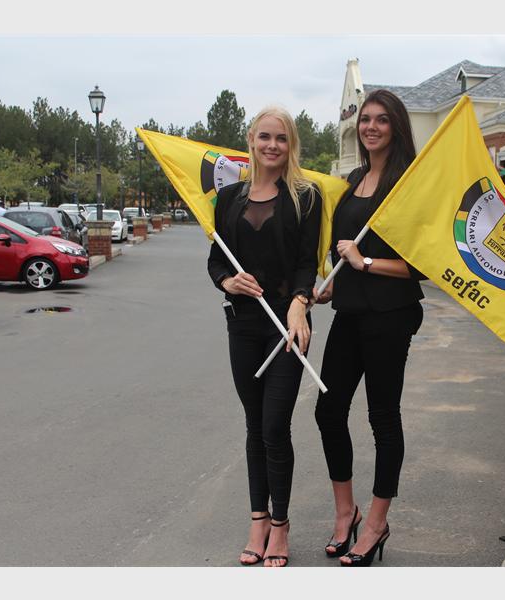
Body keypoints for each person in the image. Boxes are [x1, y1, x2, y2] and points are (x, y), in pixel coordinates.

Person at [313, 89, 426, 567]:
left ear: (396, 127)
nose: (371, 127)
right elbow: (343, 252)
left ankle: (377, 523)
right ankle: (347, 513)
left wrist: (365, 262)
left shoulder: (408, 184)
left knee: (382, 416)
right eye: (365, 119)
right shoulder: (354, 180)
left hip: (390, 315)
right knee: (328, 410)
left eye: (381, 120)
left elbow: (422, 266)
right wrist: (333, 285)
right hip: (350, 311)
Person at [206, 106, 322, 567]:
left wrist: (300, 301)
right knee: (255, 426)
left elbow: (308, 262)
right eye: (265, 137)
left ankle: (280, 525)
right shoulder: (228, 198)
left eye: (282, 138)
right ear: (251, 140)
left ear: (291, 145)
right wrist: (227, 282)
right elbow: (217, 259)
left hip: (288, 328)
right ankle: (258, 521)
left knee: (275, 426)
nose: (273, 145)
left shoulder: (305, 197)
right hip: (244, 326)